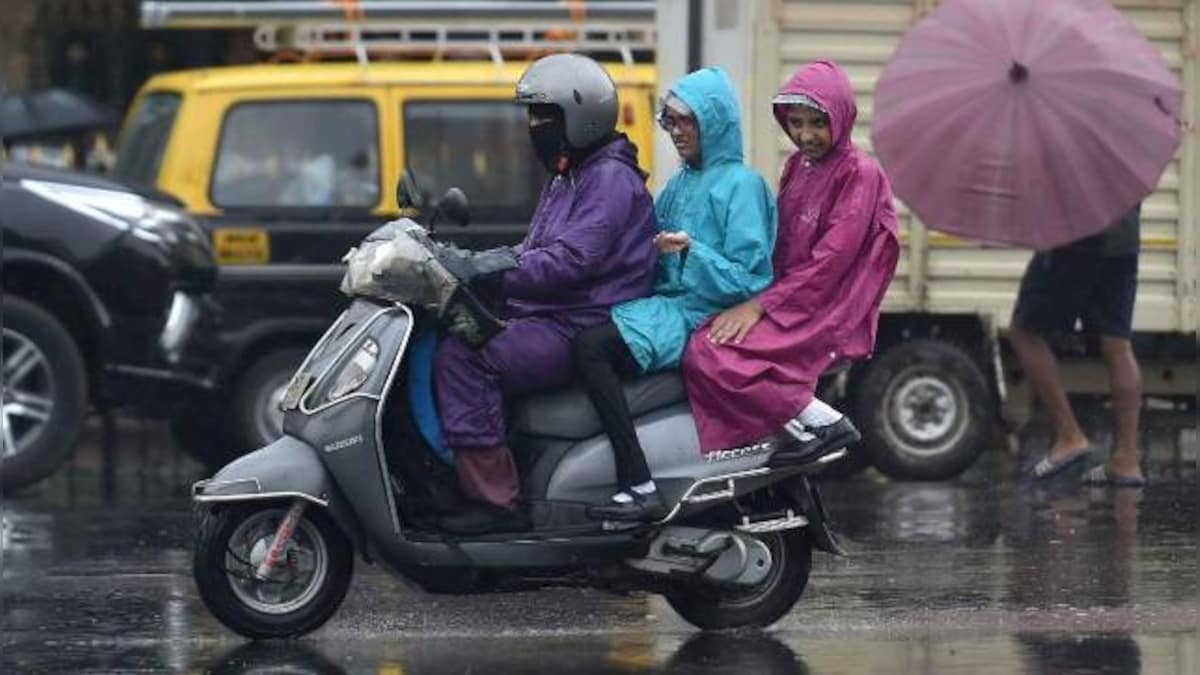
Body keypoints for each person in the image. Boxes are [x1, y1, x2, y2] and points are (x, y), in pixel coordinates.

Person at [434, 54, 658, 533]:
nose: (534, 126)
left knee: (466, 356)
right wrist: (471, 260)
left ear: (581, 116)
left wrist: (487, 272)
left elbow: (570, 262)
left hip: (580, 320)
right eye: (532, 116)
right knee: (451, 329)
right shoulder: (571, 174)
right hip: (552, 314)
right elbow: (533, 248)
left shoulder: (608, 179)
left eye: (544, 116)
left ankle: (496, 504)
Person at [573, 67, 777, 521]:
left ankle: (638, 480)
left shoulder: (743, 186)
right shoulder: (681, 181)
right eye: (670, 120)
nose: (677, 132)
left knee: (591, 348)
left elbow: (751, 281)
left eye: (687, 121)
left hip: (695, 315)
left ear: (715, 121)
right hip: (664, 307)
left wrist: (690, 252)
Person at [682, 60, 899, 459]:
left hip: (821, 305)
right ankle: (792, 433)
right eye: (796, 124)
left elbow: (829, 264)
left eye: (817, 123)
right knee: (702, 336)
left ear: (842, 117)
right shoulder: (798, 165)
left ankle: (828, 424)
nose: (805, 135)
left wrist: (759, 306)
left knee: (710, 351)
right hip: (787, 296)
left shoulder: (859, 174)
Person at [1010, 205, 1145, 487]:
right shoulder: (1125, 158)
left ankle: (1069, 435)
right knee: (1118, 346)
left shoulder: (1066, 157)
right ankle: (1127, 460)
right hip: (1124, 240)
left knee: (1025, 333)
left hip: (1075, 238)